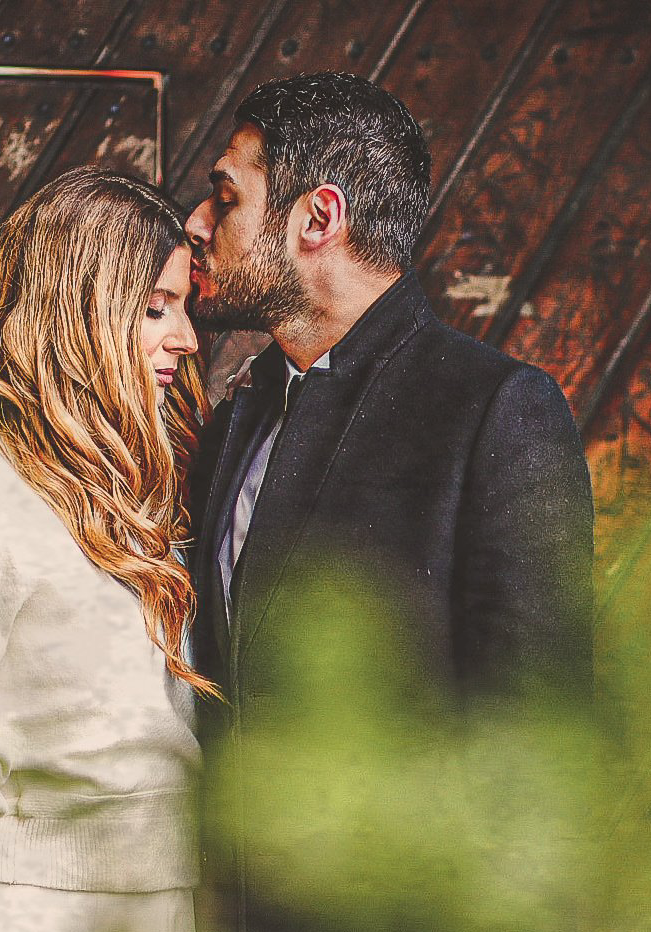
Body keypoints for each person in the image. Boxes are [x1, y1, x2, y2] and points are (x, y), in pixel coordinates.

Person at [182, 72, 596, 931]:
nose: (196, 223)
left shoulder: (492, 409)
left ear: (317, 219)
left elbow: (537, 731)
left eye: (225, 197)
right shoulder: (237, 419)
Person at [0, 167, 214, 932]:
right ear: (82, 310)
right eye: (155, 308)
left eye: (184, 308)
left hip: (157, 904)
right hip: (19, 904)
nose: (185, 340)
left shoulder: (140, 503)